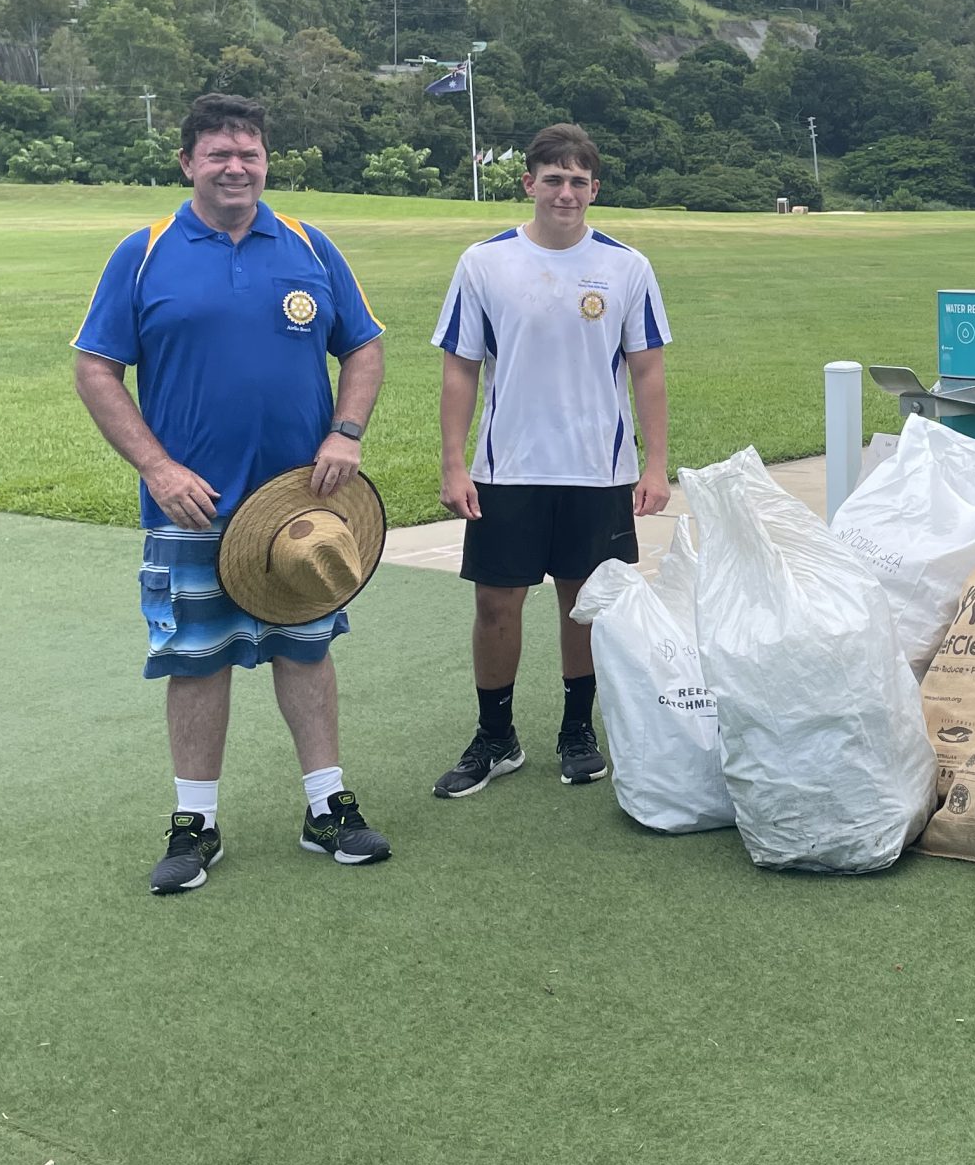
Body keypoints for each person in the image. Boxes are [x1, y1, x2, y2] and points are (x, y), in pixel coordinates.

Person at [74, 93, 392, 895]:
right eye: (218, 154)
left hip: (300, 504)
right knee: (197, 660)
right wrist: (157, 467)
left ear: (265, 160)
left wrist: (345, 433)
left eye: (248, 153)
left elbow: (364, 349)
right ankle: (196, 823)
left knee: (307, 650)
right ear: (187, 163)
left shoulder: (309, 247)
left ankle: (327, 808)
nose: (235, 167)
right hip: (194, 506)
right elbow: (96, 369)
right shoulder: (144, 253)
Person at [431, 124, 672, 798]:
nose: (565, 192)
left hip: (599, 470)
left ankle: (577, 732)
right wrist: (455, 466)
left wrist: (654, 467)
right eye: (553, 178)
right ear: (529, 182)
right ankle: (496, 737)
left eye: (578, 180)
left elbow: (648, 372)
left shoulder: (627, 267)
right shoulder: (484, 262)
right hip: (508, 468)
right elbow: (460, 372)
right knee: (495, 605)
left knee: (585, 606)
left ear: (594, 189)